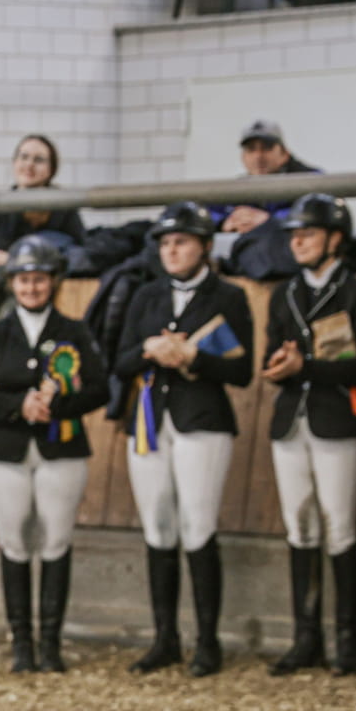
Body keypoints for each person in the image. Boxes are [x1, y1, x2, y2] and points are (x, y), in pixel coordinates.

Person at [112, 201, 254, 677]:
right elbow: (121, 360)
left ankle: (208, 640)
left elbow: (241, 369)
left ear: (205, 247)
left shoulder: (228, 296)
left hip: (202, 421)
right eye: (167, 244)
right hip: (150, 421)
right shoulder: (146, 295)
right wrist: (149, 349)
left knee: (198, 525)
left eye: (182, 242)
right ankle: (164, 638)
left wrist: (194, 357)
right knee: (157, 526)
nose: (172, 251)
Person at [0, 235, 109, 674]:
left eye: (39, 280)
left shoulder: (74, 331)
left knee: (55, 540)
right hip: (5, 450)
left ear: (53, 282)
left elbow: (99, 389)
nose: (31, 288)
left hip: (61, 448)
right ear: (13, 283)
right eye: (24, 280)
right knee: (14, 541)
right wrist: (19, 405)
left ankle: (50, 643)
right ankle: (21, 644)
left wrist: (58, 405)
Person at [259, 193, 356, 677]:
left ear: (335, 239)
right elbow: (273, 353)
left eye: (307, 234)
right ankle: (305, 636)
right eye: (294, 235)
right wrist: (278, 365)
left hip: (338, 419)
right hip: (292, 420)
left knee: (340, 525)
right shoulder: (284, 294)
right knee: (299, 525)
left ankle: (348, 639)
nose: (298, 242)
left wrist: (305, 365)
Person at [0, 134, 87, 331]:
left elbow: (79, 256)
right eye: (24, 157)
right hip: (2, 293)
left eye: (38, 159)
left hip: (50, 298)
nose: (29, 165)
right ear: (14, 162)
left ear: (51, 169)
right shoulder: (0, 207)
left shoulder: (63, 204)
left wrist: (14, 261)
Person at [206, 119, 322, 233]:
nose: (258, 156)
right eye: (251, 149)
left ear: (284, 153)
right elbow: (206, 211)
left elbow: (318, 207)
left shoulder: (310, 181)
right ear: (243, 157)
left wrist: (270, 221)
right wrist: (225, 222)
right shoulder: (237, 187)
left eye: (266, 148)